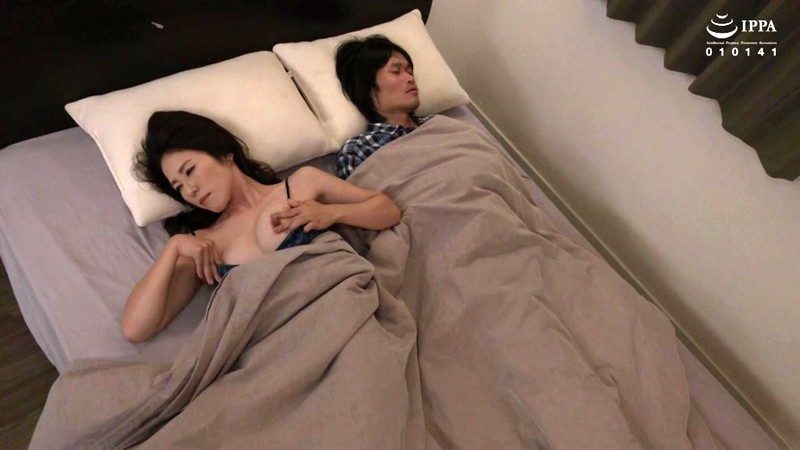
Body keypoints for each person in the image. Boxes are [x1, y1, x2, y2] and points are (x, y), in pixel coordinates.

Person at [121, 110, 400, 342]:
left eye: (190, 171)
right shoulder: (203, 246)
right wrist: (172, 249)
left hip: (344, 315)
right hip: (276, 347)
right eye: (178, 187)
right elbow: (135, 329)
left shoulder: (302, 184)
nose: (190, 190)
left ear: (225, 154)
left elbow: (387, 211)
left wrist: (331, 213)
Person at [334, 35, 433, 179]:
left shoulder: (438, 123)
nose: (410, 78)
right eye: (396, 71)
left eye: (409, 71)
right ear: (367, 86)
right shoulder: (358, 150)